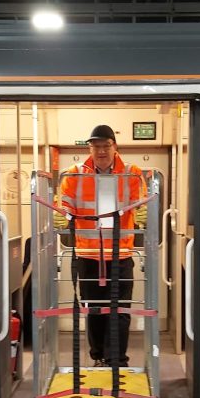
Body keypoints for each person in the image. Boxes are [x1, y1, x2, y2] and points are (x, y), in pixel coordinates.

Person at [56, 125, 147, 368]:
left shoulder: (132, 172)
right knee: (94, 311)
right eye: (96, 146)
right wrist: (65, 216)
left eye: (106, 145)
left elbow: (144, 208)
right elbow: (63, 211)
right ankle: (99, 358)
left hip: (120, 254)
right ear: (90, 148)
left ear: (114, 147)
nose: (101, 151)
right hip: (88, 255)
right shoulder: (73, 174)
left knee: (120, 312)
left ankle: (116, 360)